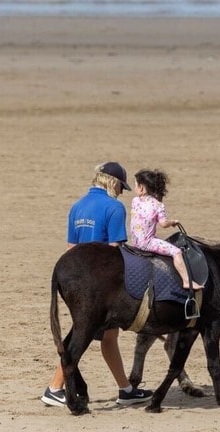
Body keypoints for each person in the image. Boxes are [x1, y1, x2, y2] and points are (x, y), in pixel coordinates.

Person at [41, 161, 153, 407]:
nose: (122, 192)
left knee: (107, 337)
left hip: (76, 278)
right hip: (102, 285)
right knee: (81, 335)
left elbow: (71, 249)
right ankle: (54, 388)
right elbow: (115, 250)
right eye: (121, 187)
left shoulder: (77, 206)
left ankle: (125, 389)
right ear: (112, 182)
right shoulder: (114, 208)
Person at [129, 169, 203, 290]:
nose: (135, 188)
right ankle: (186, 281)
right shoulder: (158, 205)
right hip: (147, 243)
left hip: (135, 242)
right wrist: (173, 222)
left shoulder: (135, 201)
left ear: (142, 188)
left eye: (136, 185)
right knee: (176, 252)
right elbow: (163, 224)